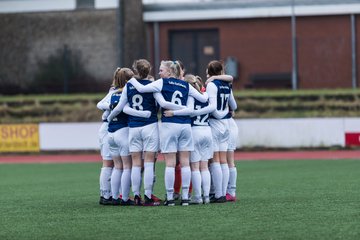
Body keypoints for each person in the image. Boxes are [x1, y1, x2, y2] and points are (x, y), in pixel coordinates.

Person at [127, 60, 208, 206]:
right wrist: (181, 108)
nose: (159, 73)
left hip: (169, 125)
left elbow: (142, 89)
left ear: (170, 72)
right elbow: (203, 98)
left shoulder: (161, 83)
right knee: (185, 163)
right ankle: (185, 197)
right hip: (185, 126)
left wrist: (131, 78)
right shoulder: (186, 85)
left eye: (161, 70)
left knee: (170, 164)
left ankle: (170, 198)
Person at [107, 59, 160, 206]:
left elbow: (119, 108)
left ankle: (136, 196)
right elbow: (159, 104)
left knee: (136, 164)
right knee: (149, 162)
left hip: (133, 128)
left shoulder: (129, 85)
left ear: (135, 71)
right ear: (149, 71)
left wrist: (109, 118)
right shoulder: (153, 84)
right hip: (150, 125)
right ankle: (148, 196)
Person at [205, 60, 236, 203]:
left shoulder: (211, 84)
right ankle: (223, 194)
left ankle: (218, 194)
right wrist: (226, 113)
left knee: (215, 160)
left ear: (209, 71)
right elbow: (233, 105)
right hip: (226, 124)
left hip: (215, 123)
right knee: (223, 160)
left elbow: (212, 108)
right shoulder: (227, 84)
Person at [96, 80, 116, 205]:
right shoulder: (114, 91)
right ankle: (105, 195)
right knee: (108, 163)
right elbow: (100, 104)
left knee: (116, 164)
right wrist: (112, 106)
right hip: (108, 127)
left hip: (116, 128)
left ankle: (112, 194)